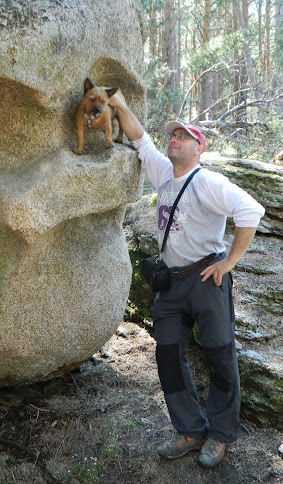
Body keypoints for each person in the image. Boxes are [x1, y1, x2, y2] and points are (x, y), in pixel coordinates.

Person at [109, 92, 265, 469]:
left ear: (199, 148)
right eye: (172, 136)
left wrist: (229, 262)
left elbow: (250, 211)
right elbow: (139, 138)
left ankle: (221, 435)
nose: (173, 140)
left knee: (219, 354)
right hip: (171, 284)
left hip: (205, 279)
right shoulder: (164, 173)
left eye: (183, 137)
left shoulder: (207, 180)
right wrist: (119, 105)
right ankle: (191, 430)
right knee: (167, 356)